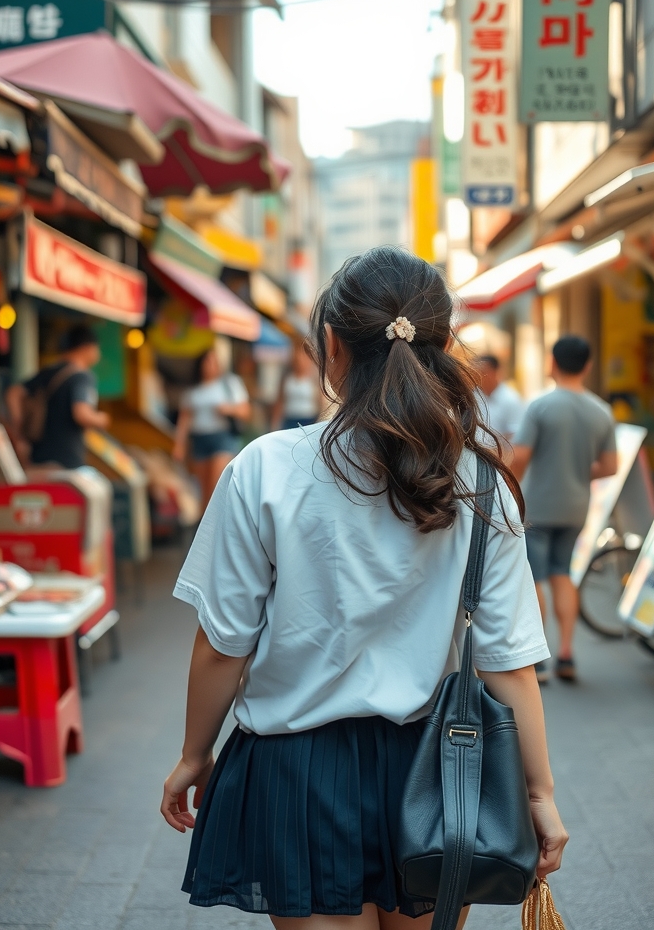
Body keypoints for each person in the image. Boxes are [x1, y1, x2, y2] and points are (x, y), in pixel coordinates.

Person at [161, 247, 567, 930]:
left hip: (298, 771)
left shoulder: (265, 468)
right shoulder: (481, 481)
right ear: (440, 347)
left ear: (330, 345)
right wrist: (539, 793)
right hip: (442, 769)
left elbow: (221, 645)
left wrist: (193, 755)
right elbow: (508, 664)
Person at [511, 335, 618, 684]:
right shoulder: (602, 411)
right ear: (587, 366)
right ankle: (567, 654)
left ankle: (539, 661)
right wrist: (577, 470)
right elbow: (610, 466)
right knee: (562, 573)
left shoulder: (540, 406)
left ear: (552, 363)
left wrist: (509, 491)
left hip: (538, 506)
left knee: (536, 578)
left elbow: (521, 456)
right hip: (576, 507)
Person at [5, 324, 110, 473]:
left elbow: (13, 393)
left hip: (37, 458)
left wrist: (18, 423)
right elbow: (81, 414)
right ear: (87, 347)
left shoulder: (49, 371)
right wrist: (102, 419)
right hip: (67, 460)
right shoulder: (83, 377)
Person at [172, 347, 250, 512]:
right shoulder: (193, 390)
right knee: (204, 490)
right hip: (200, 439)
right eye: (207, 361)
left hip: (222, 438)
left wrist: (228, 409)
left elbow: (245, 411)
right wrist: (179, 444)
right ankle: (206, 527)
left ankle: (220, 524)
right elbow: (185, 419)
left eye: (214, 361)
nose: (210, 365)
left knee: (217, 485)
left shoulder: (229, 384)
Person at [474, 354, 524, 456]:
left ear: (495, 372)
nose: (479, 375)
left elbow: (515, 435)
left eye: (483, 372)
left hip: (501, 458)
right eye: (476, 372)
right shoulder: (473, 396)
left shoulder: (510, 399)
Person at [272, 340, 325, 430]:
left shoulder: (314, 378)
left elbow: (320, 402)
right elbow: (280, 401)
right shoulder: (287, 377)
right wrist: (275, 424)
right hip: (290, 420)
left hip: (308, 420)